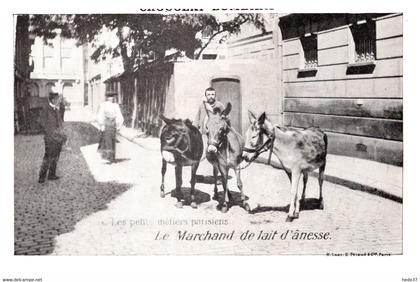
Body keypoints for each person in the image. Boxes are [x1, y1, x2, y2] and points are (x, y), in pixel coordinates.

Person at [38, 92, 67, 183]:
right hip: (50, 138)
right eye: (58, 99)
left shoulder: (58, 109)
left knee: (56, 156)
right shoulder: (46, 109)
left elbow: (60, 122)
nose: (59, 100)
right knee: (48, 156)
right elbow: (41, 122)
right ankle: (42, 177)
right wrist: (49, 131)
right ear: (53, 100)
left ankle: (51, 174)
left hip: (58, 137)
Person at [193, 87, 225, 159]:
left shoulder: (220, 106)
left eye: (212, 94)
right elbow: (197, 119)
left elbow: (226, 118)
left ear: (215, 96)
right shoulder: (202, 106)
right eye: (208, 95)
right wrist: (194, 129)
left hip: (215, 134)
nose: (211, 96)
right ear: (206, 96)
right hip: (203, 133)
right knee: (200, 154)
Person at [97, 91, 124, 163]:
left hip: (113, 124)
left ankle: (112, 157)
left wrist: (118, 125)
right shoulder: (103, 105)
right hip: (106, 123)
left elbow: (119, 115)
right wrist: (101, 124)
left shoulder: (116, 105)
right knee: (107, 140)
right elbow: (101, 115)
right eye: (109, 97)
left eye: (112, 97)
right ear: (107, 98)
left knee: (112, 140)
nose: (111, 98)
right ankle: (108, 157)